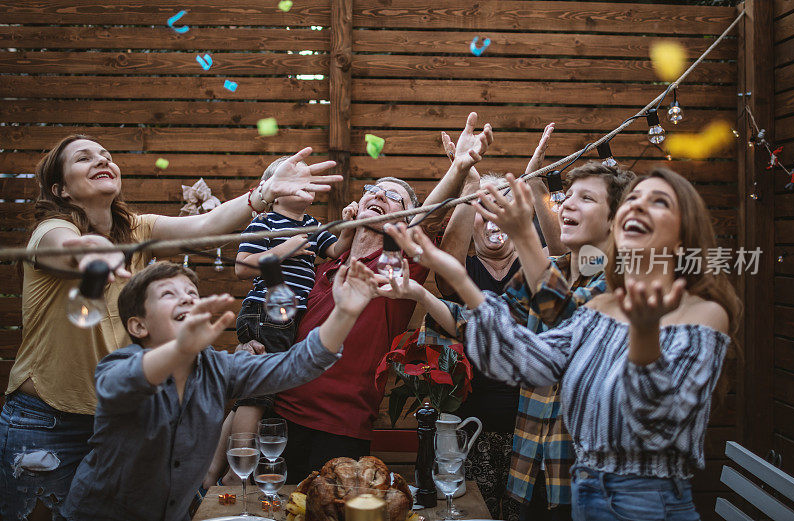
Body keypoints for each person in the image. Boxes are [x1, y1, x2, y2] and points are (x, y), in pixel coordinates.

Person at [0, 135, 341, 521]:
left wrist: (265, 192)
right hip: (46, 421)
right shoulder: (50, 229)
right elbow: (65, 247)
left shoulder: (139, 230)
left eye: (107, 156)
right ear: (60, 189)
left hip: (114, 420)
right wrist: (92, 252)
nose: (102, 160)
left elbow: (208, 224)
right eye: (84, 158)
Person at [388, 167, 740, 521]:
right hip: (585, 490)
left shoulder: (702, 310)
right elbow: (525, 360)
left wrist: (644, 338)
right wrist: (453, 274)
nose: (637, 207)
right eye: (633, 199)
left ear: (681, 235)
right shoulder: (602, 304)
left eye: (657, 201)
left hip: (645, 498)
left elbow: (653, 420)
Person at [382, 160, 635, 520]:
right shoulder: (554, 273)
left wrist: (523, 237)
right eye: (569, 196)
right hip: (533, 464)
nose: (566, 205)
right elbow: (481, 322)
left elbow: (565, 333)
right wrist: (420, 294)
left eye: (587, 198)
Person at [62, 259, 377, 520]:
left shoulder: (219, 368)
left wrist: (346, 312)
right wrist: (180, 350)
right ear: (139, 326)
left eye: (191, 292)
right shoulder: (117, 365)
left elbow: (296, 365)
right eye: (168, 293)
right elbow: (123, 384)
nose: (186, 297)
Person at [274, 113, 494, 483]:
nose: (378, 195)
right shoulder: (324, 260)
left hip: (341, 426)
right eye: (373, 190)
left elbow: (422, 218)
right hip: (281, 413)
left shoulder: (398, 262)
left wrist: (459, 168)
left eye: (395, 198)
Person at [430, 124, 561, 520]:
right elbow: (446, 276)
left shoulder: (534, 265)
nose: (492, 225)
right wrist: (469, 183)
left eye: (500, 213)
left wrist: (535, 182)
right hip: (473, 428)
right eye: (482, 214)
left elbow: (560, 254)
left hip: (536, 428)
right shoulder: (464, 267)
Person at [202, 156, 358, 487]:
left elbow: (336, 249)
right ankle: (239, 469)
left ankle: (212, 471)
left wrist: (349, 223)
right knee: (258, 394)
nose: (303, 184)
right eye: (294, 179)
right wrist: (287, 247)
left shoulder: (314, 226)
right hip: (264, 313)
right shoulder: (266, 223)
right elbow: (242, 266)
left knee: (256, 391)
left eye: (307, 181)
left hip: (288, 320)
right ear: (272, 190)